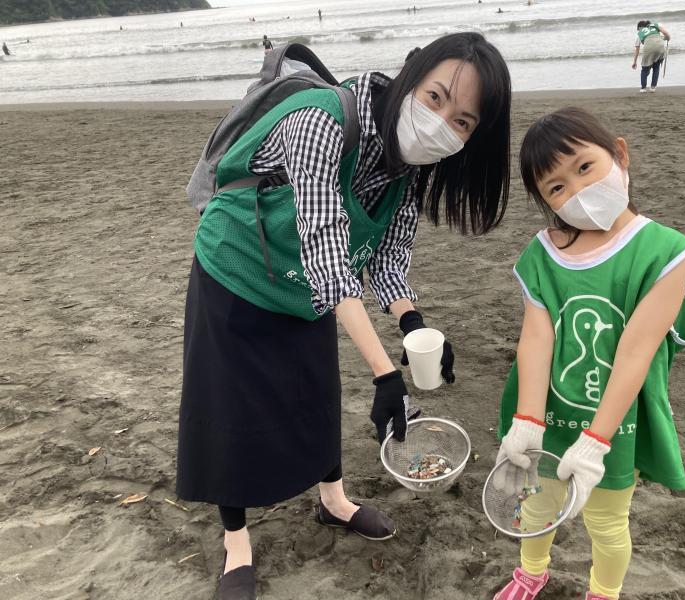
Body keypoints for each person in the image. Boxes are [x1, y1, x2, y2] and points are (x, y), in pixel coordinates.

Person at [176, 32, 512, 600]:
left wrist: (414, 325)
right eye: (435, 98)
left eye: (463, 121)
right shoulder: (322, 121)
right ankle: (236, 539)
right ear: (411, 73)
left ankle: (334, 501)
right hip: (235, 268)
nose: (442, 124)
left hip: (303, 286)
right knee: (229, 405)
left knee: (317, 392)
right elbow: (331, 257)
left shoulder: (408, 168)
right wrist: (386, 375)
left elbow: (385, 261)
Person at [493, 107, 685, 600]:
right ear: (545, 201)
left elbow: (636, 353)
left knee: (607, 522)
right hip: (549, 415)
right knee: (536, 504)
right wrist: (528, 420)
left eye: (584, 168)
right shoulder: (542, 253)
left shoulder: (667, 253)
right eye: (556, 187)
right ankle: (531, 571)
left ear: (619, 154)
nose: (577, 191)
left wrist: (596, 442)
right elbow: (537, 339)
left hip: (613, 423)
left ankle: (603, 593)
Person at [632, 20, 670, 93]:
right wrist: (668, 38)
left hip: (649, 49)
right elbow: (664, 36)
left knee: (644, 69)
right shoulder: (654, 29)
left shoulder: (640, 33)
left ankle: (643, 88)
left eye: (638, 29)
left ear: (640, 27)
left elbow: (637, 49)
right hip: (660, 48)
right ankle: (653, 87)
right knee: (656, 67)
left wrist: (634, 62)